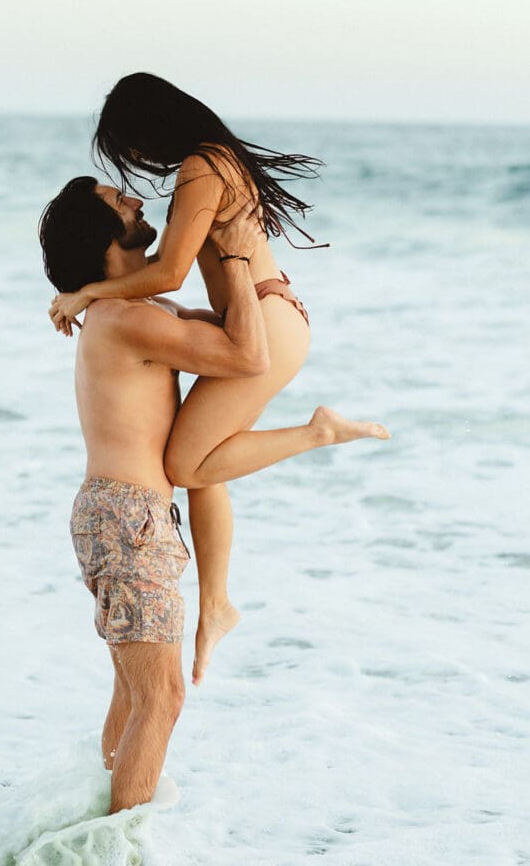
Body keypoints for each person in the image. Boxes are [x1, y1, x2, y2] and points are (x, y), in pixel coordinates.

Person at [49, 73, 391, 685]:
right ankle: (216, 606)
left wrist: (91, 289)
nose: (134, 165)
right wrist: (89, 290)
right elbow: (155, 271)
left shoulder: (203, 166)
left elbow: (170, 272)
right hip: (259, 314)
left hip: (264, 319)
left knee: (184, 465)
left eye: (128, 145)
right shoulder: (206, 164)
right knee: (207, 460)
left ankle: (319, 433)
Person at [38, 175, 268, 812]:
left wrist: (223, 248)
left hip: (126, 514)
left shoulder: (134, 312)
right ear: (104, 234)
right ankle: (118, 847)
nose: (139, 201)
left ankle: (93, 832)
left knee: (136, 696)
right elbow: (248, 355)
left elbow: (226, 326)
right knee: (162, 697)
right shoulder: (126, 319)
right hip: (125, 515)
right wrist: (241, 256)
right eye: (120, 201)